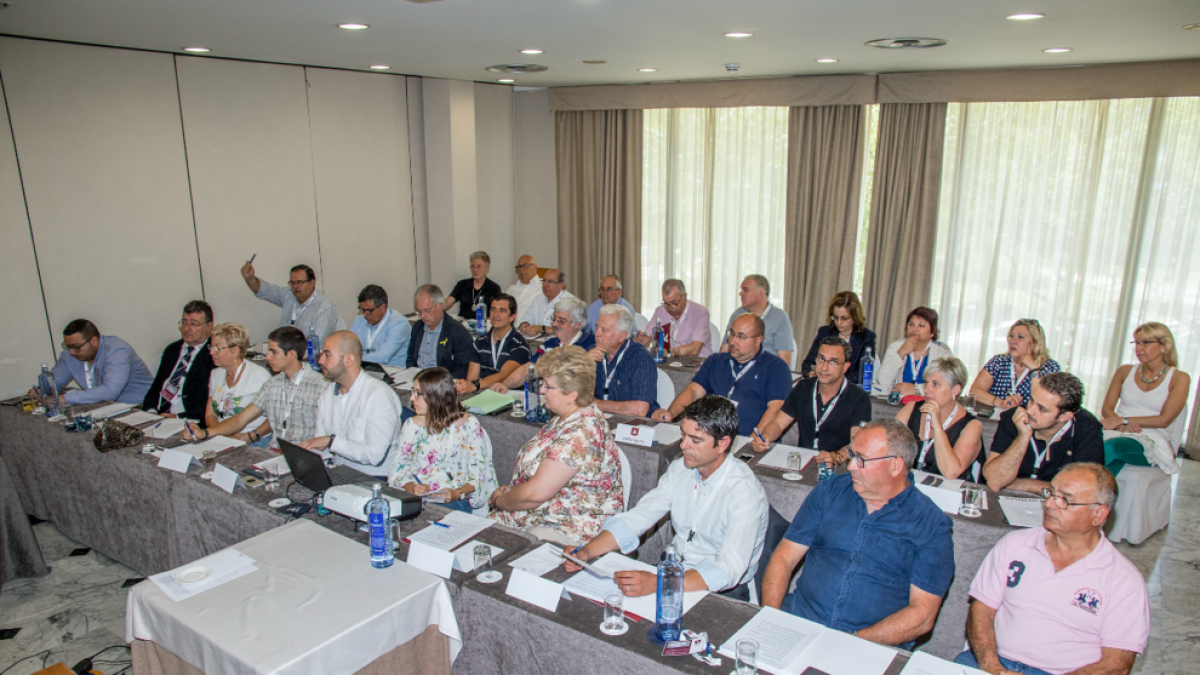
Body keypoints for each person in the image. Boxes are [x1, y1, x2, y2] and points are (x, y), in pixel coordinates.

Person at [761, 419, 954, 649]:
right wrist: (771, 619)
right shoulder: (829, 492)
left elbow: (922, 615)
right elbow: (784, 557)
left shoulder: (931, 525)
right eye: (852, 455)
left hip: (872, 643)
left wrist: (850, 643)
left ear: (895, 466)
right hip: (801, 620)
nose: (851, 466)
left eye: (861, 459)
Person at [565, 396, 768, 601]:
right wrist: (587, 551)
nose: (683, 445)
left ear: (723, 443)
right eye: (683, 435)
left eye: (695, 440)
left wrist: (659, 583)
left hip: (720, 590)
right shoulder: (681, 468)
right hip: (675, 569)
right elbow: (641, 515)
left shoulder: (744, 492)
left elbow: (728, 569)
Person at [955, 464, 1148, 675]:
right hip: (996, 661)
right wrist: (992, 666)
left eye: (1064, 500)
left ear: (1098, 515)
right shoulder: (1014, 544)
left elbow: (1117, 664)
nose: (1049, 504)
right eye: (1051, 493)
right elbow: (981, 609)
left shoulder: (1124, 580)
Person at [489, 345, 624, 546]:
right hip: (542, 515)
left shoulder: (583, 432)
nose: (541, 390)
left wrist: (499, 502)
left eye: (548, 386)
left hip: (565, 530)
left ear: (572, 394)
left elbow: (536, 494)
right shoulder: (566, 417)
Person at [185, 327, 326, 449]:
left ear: (291, 355)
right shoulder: (272, 384)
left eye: (273, 352)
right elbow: (240, 420)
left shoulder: (319, 385)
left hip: (303, 454)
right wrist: (206, 433)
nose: (267, 357)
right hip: (274, 451)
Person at [656, 314, 791, 438]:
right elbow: (693, 391)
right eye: (731, 334)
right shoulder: (716, 361)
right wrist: (670, 414)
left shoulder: (776, 367)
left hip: (745, 438)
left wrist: (752, 441)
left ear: (758, 340)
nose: (733, 341)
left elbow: (775, 409)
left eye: (742, 337)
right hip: (708, 437)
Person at [389, 368, 499, 514]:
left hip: (457, 498)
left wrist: (457, 493)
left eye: (418, 394)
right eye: (412, 392)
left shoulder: (469, 425)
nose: (411, 398)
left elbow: (479, 475)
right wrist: (411, 487)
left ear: (436, 397)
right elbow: (397, 470)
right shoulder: (412, 426)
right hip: (422, 497)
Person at [298, 332, 404, 478]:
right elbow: (321, 446)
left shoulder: (378, 396)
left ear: (348, 360)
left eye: (327, 355)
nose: (320, 360)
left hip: (375, 479)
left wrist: (331, 441)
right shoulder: (327, 393)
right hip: (339, 472)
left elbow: (375, 456)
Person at [751, 337, 871, 463]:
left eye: (833, 362)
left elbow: (857, 443)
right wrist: (766, 437)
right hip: (802, 462)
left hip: (838, 467)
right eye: (821, 359)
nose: (824, 367)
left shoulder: (859, 398)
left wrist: (836, 457)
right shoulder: (803, 387)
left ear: (845, 367)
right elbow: (778, 424)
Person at [982, 372, 1104, 494]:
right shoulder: (1013, 417)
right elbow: (994, 482)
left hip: (1057, 506)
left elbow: (1084, 490)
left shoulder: (1087, 428)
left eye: (1042, 409)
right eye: (1031, 401)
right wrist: (1023, 437)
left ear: (1065, 416)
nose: (1030, 411)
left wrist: (1020, 484)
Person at [1099, 322, 1191, 475]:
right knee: (1083, 442)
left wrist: (1124, 420)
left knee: (1110, 447)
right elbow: (1107, 409)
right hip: (1120, 431)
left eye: (1146, 342)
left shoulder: (1179, 378)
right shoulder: (1124, 371)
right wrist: (1121, 426)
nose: (1139, 348)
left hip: (1152, 439)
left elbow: (1164, 420)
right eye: (1136, 342)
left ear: (1164, 346)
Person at [894, 357, 984, 480]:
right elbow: (888, 446)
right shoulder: (912, 409)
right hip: (911, 485)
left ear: (955, 390)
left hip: (948, 491)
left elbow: (951, 472)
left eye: (935, 384)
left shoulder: (972, 426)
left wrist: (937, 426)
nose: (926, 389)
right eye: (926, 383)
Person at [487, 296, 594, 393]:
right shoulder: (549, 344)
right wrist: (505, 384)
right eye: (554, 318)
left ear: (577, 324)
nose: (555, 324)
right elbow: (528, 369)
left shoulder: (592, 345)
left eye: (561, 321)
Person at [45, 319, 154, 405]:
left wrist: (64, 399)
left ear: (93, 341)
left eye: (76, 347)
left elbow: (110, 392)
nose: (72, 352)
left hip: (139, 407)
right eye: (68, 346)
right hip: (105, 408)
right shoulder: (69, 354)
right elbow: (55, 381)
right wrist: (41, 390)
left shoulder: (117, 351)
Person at [142, 301, 216, 421]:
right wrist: (151, 411)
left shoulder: (214, 355)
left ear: (209, 326)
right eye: (184, 322)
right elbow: (155, 389)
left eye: (194, 324)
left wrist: (178, 417)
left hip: (189, 420)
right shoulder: (172, 349)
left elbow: (214, 404)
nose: (186, 328)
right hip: (158, 417)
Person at [203, 323, 272, 446]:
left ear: (235, 350)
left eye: (218, 348)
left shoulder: (258, 375)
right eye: (211, 346)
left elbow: (276, 417)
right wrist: (224, 435)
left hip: (254, 439)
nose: (211, 352)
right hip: (223, 437)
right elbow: (210, 415)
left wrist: (251, 436)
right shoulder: (216, 374)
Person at [240, 260, 338, 347]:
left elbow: (315, 343)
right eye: (292, 282)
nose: (295, 286)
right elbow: (266, 291)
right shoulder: (289, 295)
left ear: (311, 283)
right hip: (286, 353)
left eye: (300, 282)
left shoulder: (324, 306)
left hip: (310, 358)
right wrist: (250, 278)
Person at [969, 319, 1061, 410]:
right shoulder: (999, 361)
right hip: (995, 420)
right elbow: (975, 391)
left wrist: (1034, 369)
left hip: (1029, 422)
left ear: (1035, 343)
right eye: (1011, 336)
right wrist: (1000, 402)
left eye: (1020, 337)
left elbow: (1041, 404)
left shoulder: (1050, 368)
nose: (1012, 341)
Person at [589, 304, 658, 417]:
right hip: (595, 421)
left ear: (621, 336)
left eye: (604, 330)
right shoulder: (590, 353)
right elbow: (568, 395)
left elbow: (640, 409)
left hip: (628, 426)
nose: (597, 333)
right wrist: (583, 363)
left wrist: (596, 404)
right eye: (597, 327)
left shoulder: (640, 358)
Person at [871, 306, 953, 398]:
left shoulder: (942, 352)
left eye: (921, 325)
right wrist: (900, 353)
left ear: (932, 332)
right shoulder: (896, 346)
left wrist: (916, 389)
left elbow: (948, 384)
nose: (914, 329)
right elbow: (882, 381)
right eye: (911, 324)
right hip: (898, 404)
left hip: (929, 404)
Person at [458, 294, 531, 393]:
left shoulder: (520, 344)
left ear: (512, 316)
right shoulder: (479, 342)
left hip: (507, 394)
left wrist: (475, 385)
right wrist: (467, 386)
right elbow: (471, 379)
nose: (496, 314)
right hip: (481, 392)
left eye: (502, 310)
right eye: (493, 309)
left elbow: (504, 375)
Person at [799, 291, 876, 385]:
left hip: (850, 388)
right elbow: (807, 363)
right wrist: (810, 373)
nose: (839, 323)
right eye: (835, 317)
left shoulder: (867, 337)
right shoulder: (824, 332)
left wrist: (832, 377)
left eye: (845, 318)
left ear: (855, 317)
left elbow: (862, 374)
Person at [721, 275, 795, 366]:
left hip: (765, 371)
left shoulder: (780, 317)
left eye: (746, 290)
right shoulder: (738, 314)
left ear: (760, 293)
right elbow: (724, 350)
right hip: (736, 369)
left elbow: (784, 360)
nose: (740, 294)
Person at [406, 285, 474, 379]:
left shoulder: (458, 332)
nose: (423, 316)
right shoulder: (418, 327)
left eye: (427, 310)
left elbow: (463, 369)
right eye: (419, 311)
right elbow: (410, 357)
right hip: (417, 379)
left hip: (441, 382)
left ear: (440, 306)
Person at [636, 278, 713, 357]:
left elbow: (695, 349)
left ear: (684, 296)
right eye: (665, 303)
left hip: (694, 364)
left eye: (674, 303)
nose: (669, 307)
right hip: (667, 363)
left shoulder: (700, 313)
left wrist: (668, 352)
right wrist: (644, 341)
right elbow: (648, 335)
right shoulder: (660, 311)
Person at [351, 284, 411, 367]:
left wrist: (352, 359)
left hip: (393, 373)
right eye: (362, 310)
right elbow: (348, 347)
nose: (365, 314)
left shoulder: (399, 323)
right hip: (366, 371)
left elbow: (383, 356)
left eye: (368, 311)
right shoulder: (358, 321)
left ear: (382, 307)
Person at [445, 251, 503, 320]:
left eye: (479, 266)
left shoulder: (494, 288)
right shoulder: (462, 284)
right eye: (472, 266)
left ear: (487, 268)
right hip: (463, 325)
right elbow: (449, 302)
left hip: (484, 325)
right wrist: (437, 308)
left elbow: (497, 311)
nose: (475, 270)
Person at [519, 269, 575, 337]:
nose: (545, 285)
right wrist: (525, 324)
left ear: (561, 285)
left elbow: (568, 330)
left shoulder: (570, 302)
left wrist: (543, 329)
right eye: (544, 281)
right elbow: (527, 318)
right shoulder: (538, 299)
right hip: (536, 343)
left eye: (550, 282)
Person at [508, 254, 542, 326]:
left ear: (535, 267)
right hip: (510, 329)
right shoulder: (512, 289)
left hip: (531, 330)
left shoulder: (543, 288)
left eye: (525, 265)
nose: (521, 269)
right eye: (519, 267)